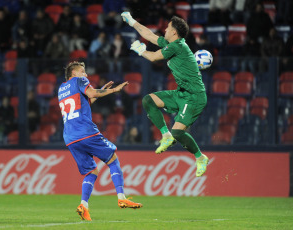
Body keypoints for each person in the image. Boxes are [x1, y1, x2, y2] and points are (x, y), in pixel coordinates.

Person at [121, 12, 209, 177]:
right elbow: (149, 35)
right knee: (148, 100)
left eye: (168, 28)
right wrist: (132, 21)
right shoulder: (172, 44)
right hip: (181, 93)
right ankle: (165, 135)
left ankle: (200, 157)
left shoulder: (178, 46)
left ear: (174, 32)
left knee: (178, 133)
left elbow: (154, 57)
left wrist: (141, 51)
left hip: (194, 96)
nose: (165, 30)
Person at [58, 61, 142, 221]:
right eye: (82, 71)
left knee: (91, 171)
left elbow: (84, 101)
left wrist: (100, 91)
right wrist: (113, 90)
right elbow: (91, 94)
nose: (86, 75)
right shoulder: (79, 81)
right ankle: (121, 197)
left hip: (70, 137)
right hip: (85, 131)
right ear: (74, 73)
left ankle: (84, 205)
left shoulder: (62, 88)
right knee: (112, 160)